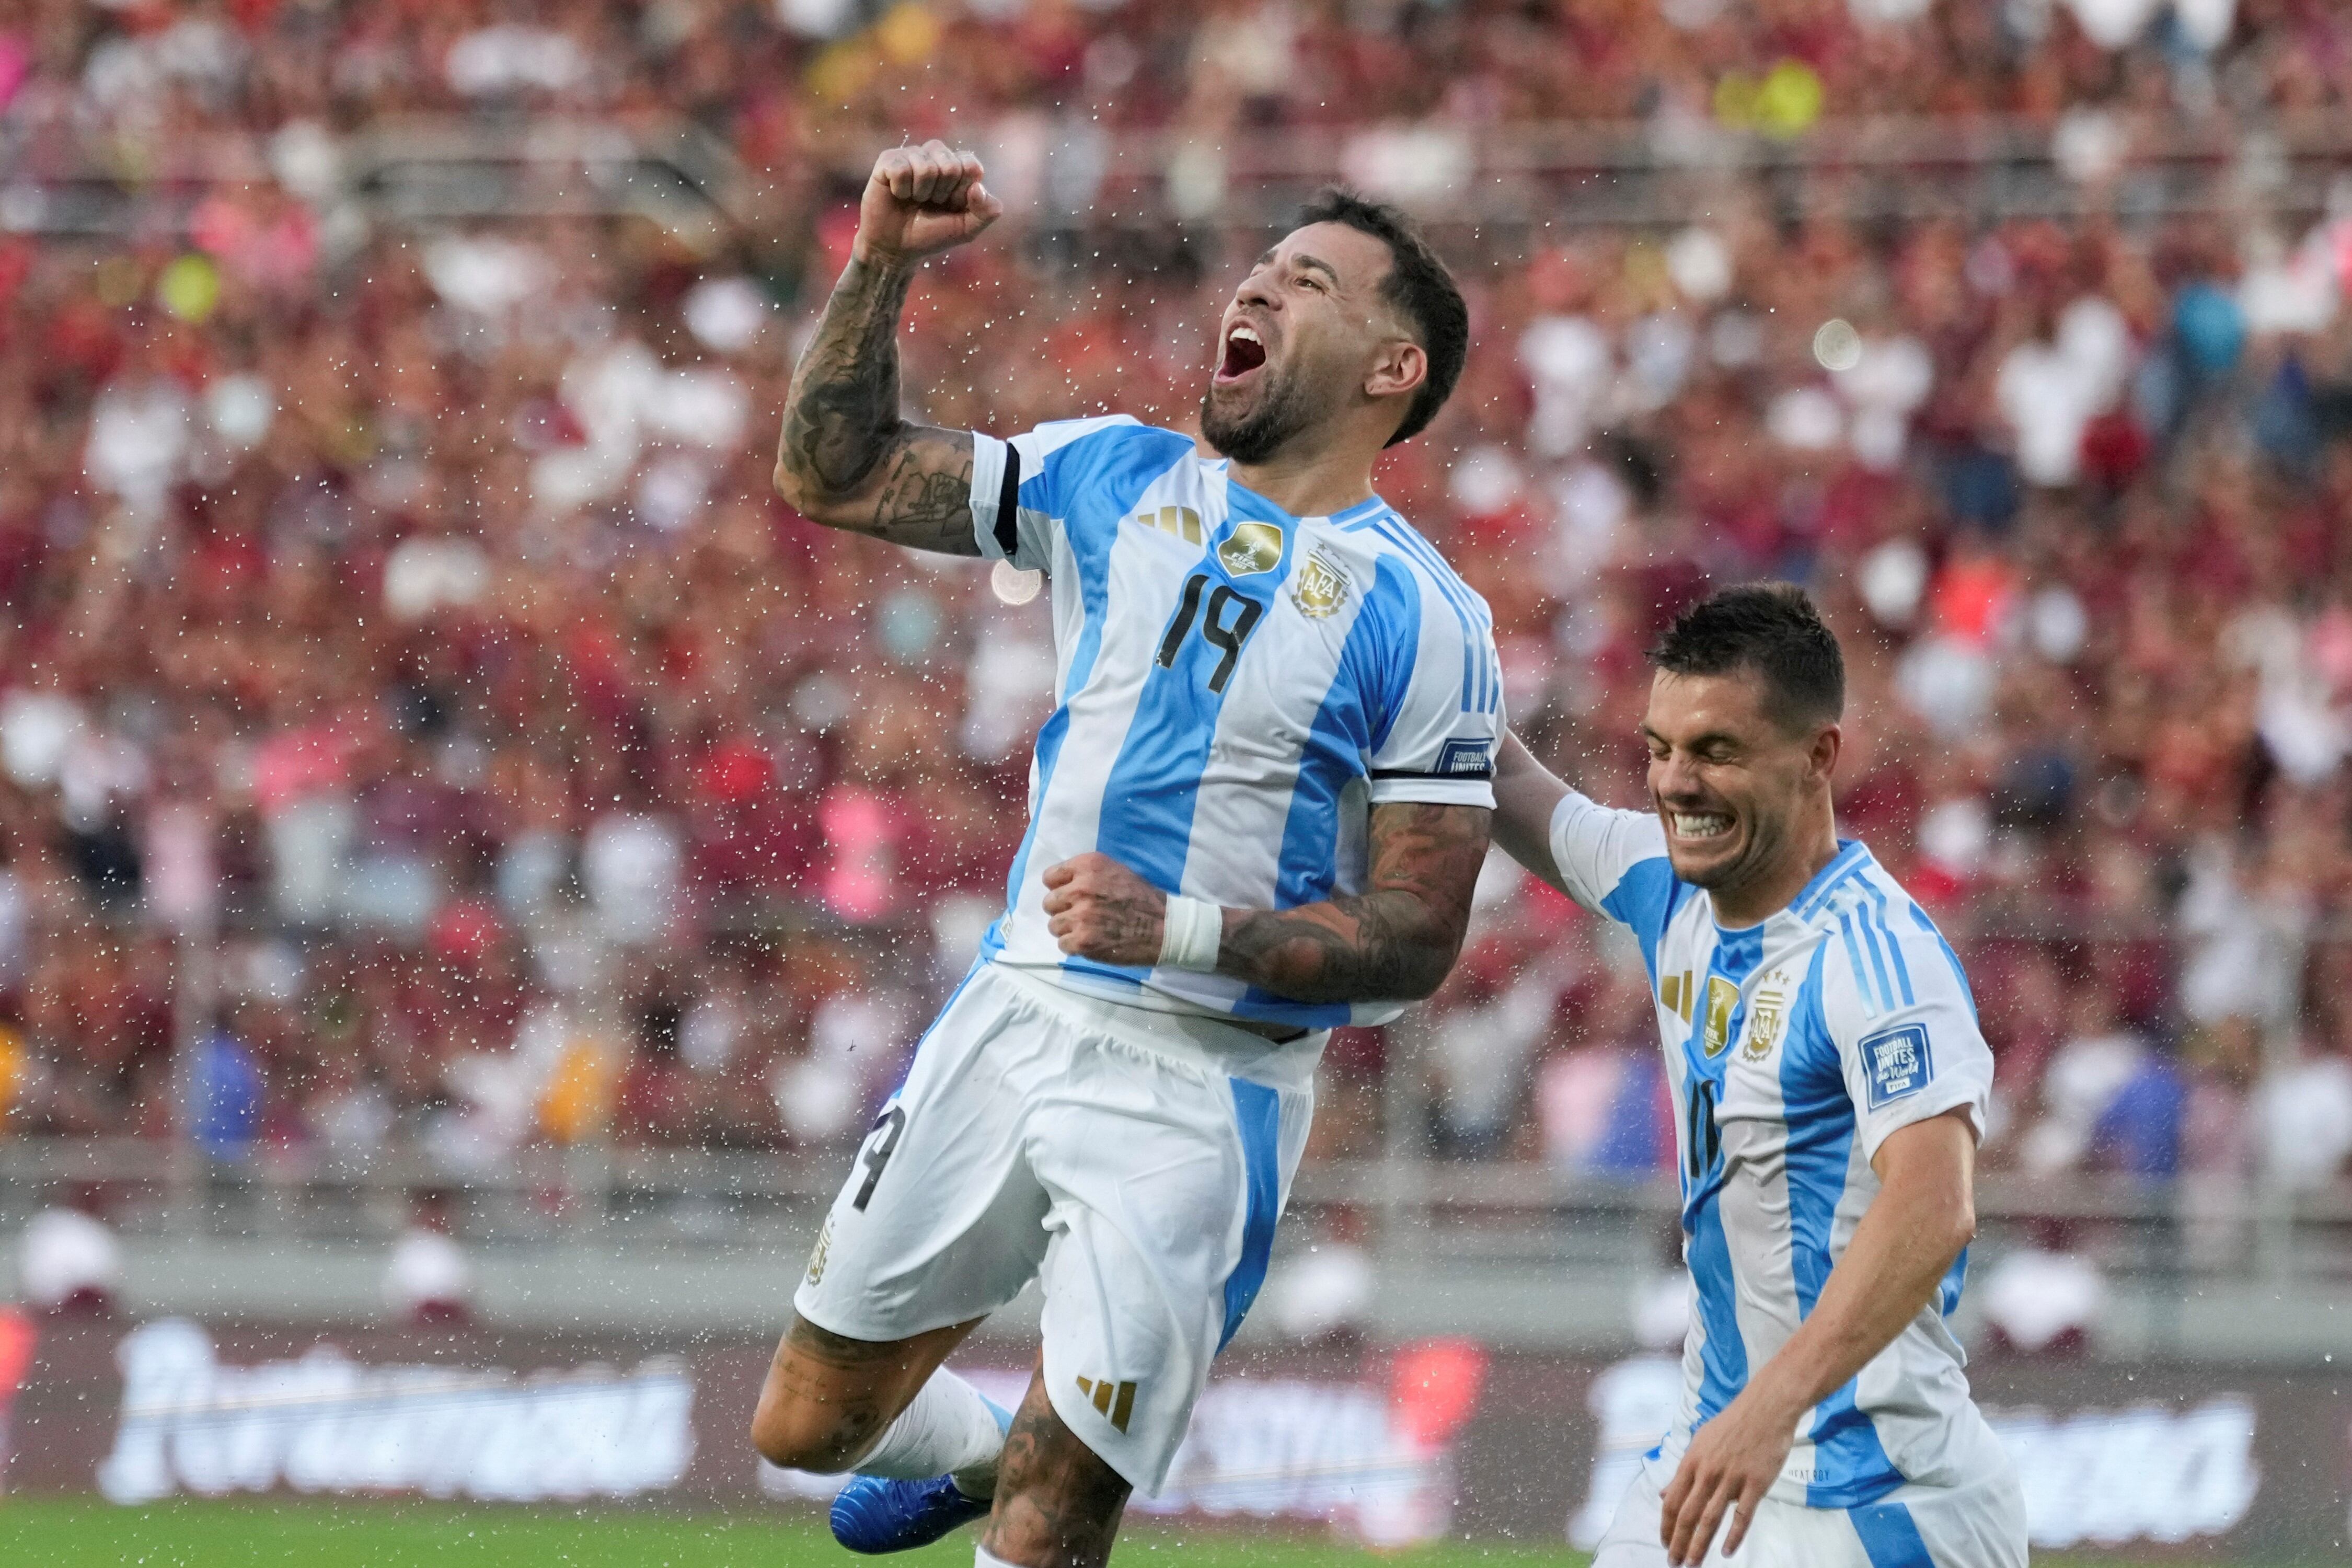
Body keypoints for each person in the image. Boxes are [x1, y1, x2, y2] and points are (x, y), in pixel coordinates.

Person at [751, 140, 1501, 1568]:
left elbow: (1416, 937)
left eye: (1308, 281)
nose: (1259, 286)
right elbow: (829, 474)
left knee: (1057, 1521)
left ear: (1391, 368)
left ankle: (1026, 1476)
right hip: (1017, 1012)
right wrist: (880, 267)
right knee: (806, 1429)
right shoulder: (1110, 474)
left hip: (1204, 1088)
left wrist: (1182, 934)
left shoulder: (1428, 618)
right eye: (1261, 268)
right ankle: (978, 1453)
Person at [1488, 585, 2026, 1567]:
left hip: (1877, 1499)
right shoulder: (1671, 885)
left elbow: (1933, 1206)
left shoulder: (1877, 959)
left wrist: (1773, 1405)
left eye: (1717, 752)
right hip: (1713, 1457)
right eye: (1660, 748)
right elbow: (1522, 797)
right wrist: (1419, 656)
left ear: (1819, 756)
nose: (1676, 784)